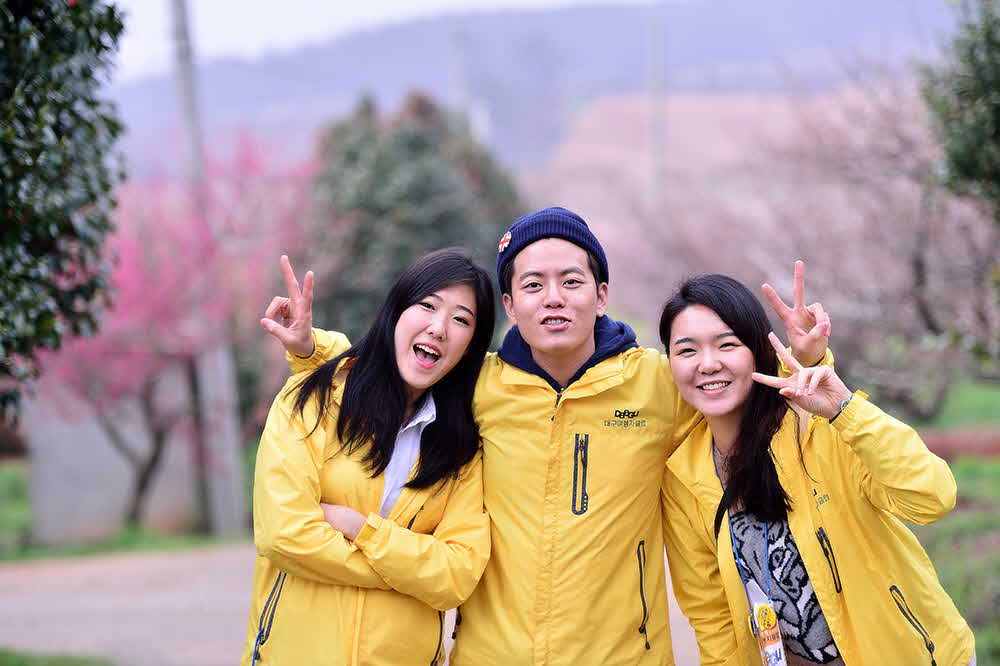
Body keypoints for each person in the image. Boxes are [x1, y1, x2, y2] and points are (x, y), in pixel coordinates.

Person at [273, 207, 830, 665]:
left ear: (601, 295)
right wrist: (311, 351)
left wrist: (810, 362)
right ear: (510, 306)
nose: (553, 297)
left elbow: (742, 390)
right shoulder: (477, 387)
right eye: (533, 285)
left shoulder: (657, 384)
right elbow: (389, 366)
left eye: (571, 281)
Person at [658, 274, 976, 666]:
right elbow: (713, 616)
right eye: (687, 350)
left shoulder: (819, 429)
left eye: (727, 345)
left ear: (759, 350)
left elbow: (932, 497)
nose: (708, 364)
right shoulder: (683, 477)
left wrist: (844, 408)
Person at [241, 248, 495, 666]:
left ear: (471, 346)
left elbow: (456, 576)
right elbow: (283, 535)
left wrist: (359, 527)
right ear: (395, 312)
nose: (438, 328)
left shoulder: (461, 446)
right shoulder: (314, 398)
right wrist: (408, 573)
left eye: (461, 319)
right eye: (427, 305)